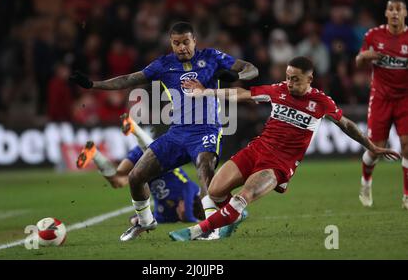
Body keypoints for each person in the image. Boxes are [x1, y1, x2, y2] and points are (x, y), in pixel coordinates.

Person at [169, 56, 400, 241]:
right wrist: (205, 92)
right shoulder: (278, 91)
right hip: (257, 149)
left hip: (279, 164)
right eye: (288, 78)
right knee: (215, 191)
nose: (290, 83)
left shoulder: (321, 102)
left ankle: (196, 231)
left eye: (296, 80)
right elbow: (242, 94)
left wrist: (371, 146)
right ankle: (234, 217)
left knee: (242, 197)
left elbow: (346, 124)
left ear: (310, 79)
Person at [70, 21, 259, 241]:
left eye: (186, 42)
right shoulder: (163, 64)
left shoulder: (211, 56)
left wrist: (237, 76)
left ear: (194, 41)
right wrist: (93, 85)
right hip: (177, 134)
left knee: (204, 171)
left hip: (206, 129)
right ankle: (145, 221)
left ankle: (211, 228)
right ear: (171, 44)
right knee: (135, 177)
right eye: (176, 43)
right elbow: (129, 79)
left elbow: (250, 68)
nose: (182, 48)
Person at [76, 114, 204, 224]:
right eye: (185, 208)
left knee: (118, 180)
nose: (181, 210)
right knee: (156, 158)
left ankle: (94, 154)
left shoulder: (168, 214)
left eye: (182, 214)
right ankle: (134, 128)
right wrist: (195, 221)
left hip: (142, 173)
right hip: (155, 156)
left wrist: (135, 219)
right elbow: (188, 214)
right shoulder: (191, 190)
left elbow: (147, 217)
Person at [355, 0, 408, 209]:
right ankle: (365, 183)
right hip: (380, 98)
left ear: (405, 13)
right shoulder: (373, 35)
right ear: (386, 14)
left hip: (405, 99)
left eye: (399, 9)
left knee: (407, 146)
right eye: (391, 9)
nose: (395, 13)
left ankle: (406, 195)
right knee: (377, 148)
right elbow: (358, 62)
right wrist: (365, 56)